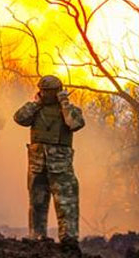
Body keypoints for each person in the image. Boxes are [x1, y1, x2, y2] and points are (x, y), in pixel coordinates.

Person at [14, 75, 85, 247]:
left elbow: (74, 124)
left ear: (58, 92)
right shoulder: (35, 110)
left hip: (60, 166)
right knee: (37, 202)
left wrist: (64, 104)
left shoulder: (70, 110)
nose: (44, 94)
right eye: (42, 90)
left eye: (48, 91)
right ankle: (37, 236)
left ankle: (69, 239)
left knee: (66, 203)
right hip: (37, 164)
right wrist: (36, 103)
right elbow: (19, 118)